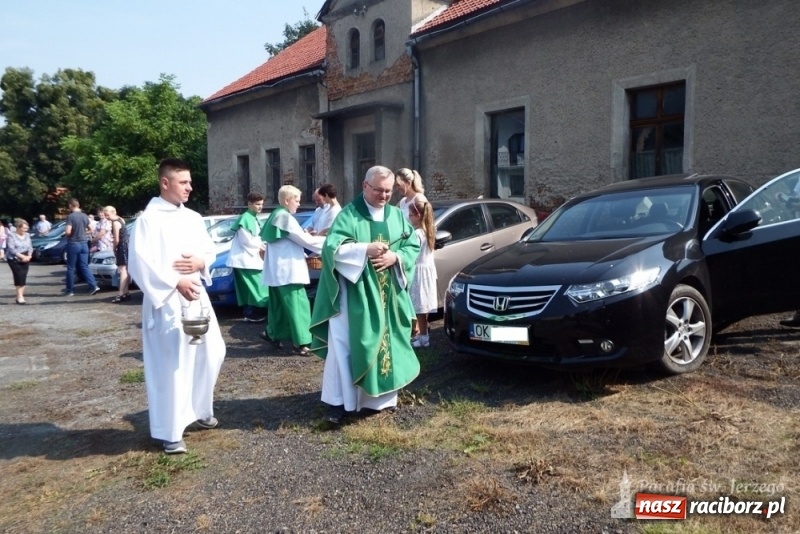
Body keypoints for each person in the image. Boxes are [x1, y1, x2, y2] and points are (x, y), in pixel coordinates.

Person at [128, 158, 226, 454]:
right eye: (183, 182)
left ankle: (199, 410)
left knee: (212, 352)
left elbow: (208, 250)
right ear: (165, 183)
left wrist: (201, 262)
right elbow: (139, 262)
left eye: (190, 182)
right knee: (172, 364)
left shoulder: (194, 218)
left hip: (196, 297)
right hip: (168, 302)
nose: (189, 187)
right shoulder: (149, 219)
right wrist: (175, 281)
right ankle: (171, 431)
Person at [311, 166, 421, 425]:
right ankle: (341, 404)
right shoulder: (349, 215)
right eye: (378, 190)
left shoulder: (396, 215)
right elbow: (331, 248)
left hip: (388, 296)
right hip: (355, 297)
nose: (384, 196)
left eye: (388, 191)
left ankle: (381, 401)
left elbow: (412, 244)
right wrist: (364, 249)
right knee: (347, 347)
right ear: (364, 186)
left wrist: (397, 257)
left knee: (389, 343)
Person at [260, 185, 324, 354]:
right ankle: (302, 343)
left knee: (279, 307)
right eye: (296, 200)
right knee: (298, 305)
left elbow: (288, 241)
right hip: (288, 271)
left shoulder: (276, 215)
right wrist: (329, 243)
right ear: (287, 200)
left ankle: (272, 333)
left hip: (277, 271)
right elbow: (305, 241)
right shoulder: (285, 217)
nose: (299, 204)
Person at [226, 192, 269, 322]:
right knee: (257, 287)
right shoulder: (245, 218)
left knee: (251, 289)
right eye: (257, 204)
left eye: (261, 204)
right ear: (249, 204)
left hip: (249, 260)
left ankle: (252, 312)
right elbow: (248, 241)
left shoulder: (253, 218)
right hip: (247, 260)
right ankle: (256, 312)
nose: (260, 207)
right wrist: (263, 247)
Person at [407, 198, 438, 348]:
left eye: (410, 214)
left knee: (419, 308)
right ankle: (423, 334)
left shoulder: (418, 233)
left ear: (418, 215)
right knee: (422, 307)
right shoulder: (429, 229)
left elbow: (412, 253)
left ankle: (424, 338)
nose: (409, 217)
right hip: (427, 270)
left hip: (419, 272)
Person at [64, 198, 100, 297]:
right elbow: (91, 230)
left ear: (71, 205)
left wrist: (67, 234)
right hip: (84, 244)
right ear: (78, 205)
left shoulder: (70, 217)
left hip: (73, 243)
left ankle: (70, 290)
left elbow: (68, 231)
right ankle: (93, 285)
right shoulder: (84, 216)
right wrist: (83, 233)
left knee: (71, 268)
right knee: (84, 266)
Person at [105, 206, 131, 303]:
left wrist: (114, 248)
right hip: (127, 245)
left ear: (113, 212)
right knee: (126, 270)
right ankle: (126, 292)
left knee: (122, 270)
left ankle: (120, 293)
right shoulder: (121, 219)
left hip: (122, 246)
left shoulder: (115, 223)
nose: (107, 217)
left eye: (107, 215)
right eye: (105, 215)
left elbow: (116, 239)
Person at [5, 218, 33, 304]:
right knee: (18, 275)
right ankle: (19, 296)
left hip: (26, 257)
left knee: (23, 276)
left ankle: (20, 295)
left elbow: (30, 247)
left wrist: (29, 256)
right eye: (24, 228)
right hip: (14, 258)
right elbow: (12, 249)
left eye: (26, 228)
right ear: (18, 227)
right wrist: (22, 256)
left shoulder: (27, 235)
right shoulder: (11, 236)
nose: (25, 230)